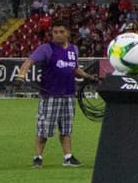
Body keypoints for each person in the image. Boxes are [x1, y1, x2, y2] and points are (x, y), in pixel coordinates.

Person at [14, 21, 96, 168]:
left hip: (68, 94)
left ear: (67, 33)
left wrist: (88, 77)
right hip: (50, 95)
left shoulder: (74, 49)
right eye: (55, 32)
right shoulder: (46, 48)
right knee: (44, 128)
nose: (58, 35)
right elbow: (29, 61)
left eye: (61, 31)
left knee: (66, 129)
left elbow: (74, 68)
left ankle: (68, 157)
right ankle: (37, 157)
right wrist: (21, 75)